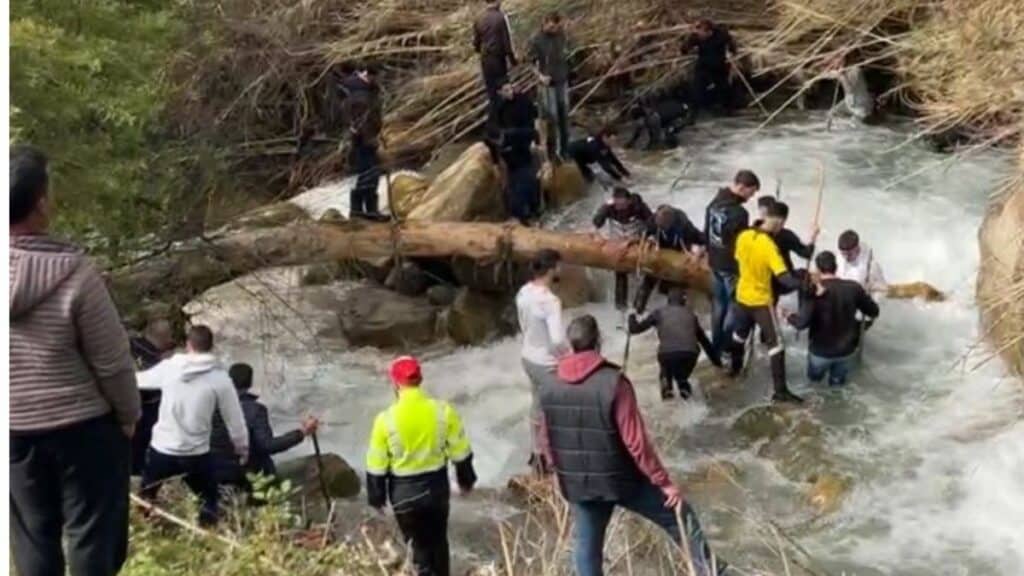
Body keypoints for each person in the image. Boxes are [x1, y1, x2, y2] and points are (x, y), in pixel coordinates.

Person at [10, 145, 140, 576]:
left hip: (14, 430)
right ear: (42, 203)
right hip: (83, 429)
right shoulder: (75, 273)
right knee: (92, 541)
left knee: (33, 541)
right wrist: (128, 414)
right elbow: (113, 361)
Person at [538, 315, 724, 576]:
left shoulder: (547, 385)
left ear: (570, 344)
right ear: (598, 342)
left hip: (579, 482)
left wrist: (559, 471)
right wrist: (664, 482)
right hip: (620, 479)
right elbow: (636, 442)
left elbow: (545, 438)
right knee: (679, 515)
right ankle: (711, 572)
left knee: (587, 551)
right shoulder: (615, 382)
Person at [366, 356, 477, 576]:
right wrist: (466, 481)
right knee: (438, 542)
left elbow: (376, 465)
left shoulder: (385, 420)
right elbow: (461, 452)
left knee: (417, 548)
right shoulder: (443, 411)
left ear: (395, 383)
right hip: (436, 489)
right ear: (421, 380)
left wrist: (377, 498)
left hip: (403, 493)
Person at [138, 325, 249, 526]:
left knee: (146, 493)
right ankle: (207, 532)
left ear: (188, 345)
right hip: (195, 454)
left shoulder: (169, 368)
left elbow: (137, 381)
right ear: (211, 347)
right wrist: (242, 449)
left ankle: (146, 525)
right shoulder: (220, 379)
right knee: (208, 499)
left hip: (162, 448)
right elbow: (236, 421)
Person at [729, 202, 805, 403]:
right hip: (761, 301)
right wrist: (804, 284)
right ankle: (780, 392)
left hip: (742, 296)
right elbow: (784, 278)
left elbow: (738, 260)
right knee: (777, 345)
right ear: (778, 220)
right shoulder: (769, 246)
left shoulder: (743, 236)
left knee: (739, 336)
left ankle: (734, 371)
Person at [210, 363, 319, 490]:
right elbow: (268, 446)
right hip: (249, 476)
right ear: (250, 383)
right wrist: (302, 432)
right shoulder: (256, 410)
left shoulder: (213, 407)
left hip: (215, 473)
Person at [787, 252, 881, 386]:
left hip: (820, 353)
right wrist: (865, 295)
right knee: (837, 389)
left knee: (814, 387)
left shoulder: (812, 291)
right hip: (845, 351)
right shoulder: (854, 288)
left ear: (818, 270)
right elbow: (874, 311)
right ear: (836, 267)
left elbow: (801, 323)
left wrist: (787, 315)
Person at [515, 249, 570, 471]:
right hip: (547, 363)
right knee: (555, 410)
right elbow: (557, 339)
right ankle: (551, 456)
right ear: (552, 268)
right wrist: (571, 356)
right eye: (559, 265)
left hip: (528, 356)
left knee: (537, 405)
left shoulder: (524, 292)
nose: (562, 269)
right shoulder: (550, 301)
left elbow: (523, 323)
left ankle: (536, 453)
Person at [629, 288, 721, 400]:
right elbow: (705, 342)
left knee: (665, 372)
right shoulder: (691, 314)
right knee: (681, 378)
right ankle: (688, 401)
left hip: (667, 355)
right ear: (683, 302)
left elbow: (635, 329)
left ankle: (667, 392)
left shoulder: (659, 312)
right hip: (689, 355)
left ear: (668, 301)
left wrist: (631, 317)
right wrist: (717, 363)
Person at [704, 170, 759, 356]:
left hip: (714, 262)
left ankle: (716, 344)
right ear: (742, 187)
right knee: (734, 307)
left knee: (718, 305)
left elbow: (706, 232)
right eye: (750, 193)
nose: (750, 198)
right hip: (731, 266)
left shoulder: (713, 203)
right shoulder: (739, 213)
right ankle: (728, 345)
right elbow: (742, 245)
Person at [635, 204, 706, 313]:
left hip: (678, 254)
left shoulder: (685, 226)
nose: (662, 228)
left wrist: (699, 252)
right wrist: (647, 243)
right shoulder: (654, 221)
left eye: (664, 227)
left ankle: (673, 312)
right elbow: (643, 232)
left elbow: (702, 239)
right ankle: (637, 309)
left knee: (676, 284)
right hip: (660, 252)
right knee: (649, 277)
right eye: (660, 226)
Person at [592, 187, 652, 309]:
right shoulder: (608, 208)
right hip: (618, 242)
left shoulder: (639, 207)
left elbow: (652, 225)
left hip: (636, 241)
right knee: (620, 272)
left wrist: (641, 240)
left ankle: (639, 304)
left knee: (643, 271)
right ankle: (621, 306)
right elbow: (596, 223)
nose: (619, 207)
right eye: (617, 204)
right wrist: (597, 235)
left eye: (622, 204)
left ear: (629, 201)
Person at [130, 317, 176, 476]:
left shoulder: (129, 345)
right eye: (169, 336)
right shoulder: (155, 360)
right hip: (145, 412)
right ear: (163, 337)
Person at [342, 63, 385, 219]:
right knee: (369, 173)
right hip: (364, 140)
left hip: (363, 139)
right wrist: (372, 141)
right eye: (377, 77)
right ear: (368, 75)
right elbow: (363, 122)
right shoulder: (361, 95)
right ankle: (364, 211)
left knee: (367, 173)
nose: (379, 81)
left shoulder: (363, 91)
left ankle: (362, 210)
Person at [495, 81, 541, 223]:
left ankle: (534, 209)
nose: (509, 92)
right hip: (511, 150)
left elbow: (534, 119)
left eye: (510, 89)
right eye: (505, 90)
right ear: (500, 93)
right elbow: (496, 129)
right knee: (516, 183)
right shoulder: (499, 107)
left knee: (528, 178)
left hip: (525, 142)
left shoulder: (523, 100)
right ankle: (522, 214)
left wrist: (535, 140)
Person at [530, 12, 571, 161]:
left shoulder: (562, 35)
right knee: (551, 118)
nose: (554, 29)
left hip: (562, 80)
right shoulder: (536, 39)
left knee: (564, 116)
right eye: (552, 26)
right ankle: (552, 153)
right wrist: (540, 76)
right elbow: (531, 63)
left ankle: (565, 150)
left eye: (557, 26)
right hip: (547, 85)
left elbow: (566, 52)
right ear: (545, 22)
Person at [474, 0, 517, 137]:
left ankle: (493, 128)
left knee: (492, 94)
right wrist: (513, 61)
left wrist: (481, 51)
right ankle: (502, 126)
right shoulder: (500, 18)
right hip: (498, 60)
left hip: (485, 60)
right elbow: (506, 44)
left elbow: (476, 43)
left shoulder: (478, 18)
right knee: (504, 93)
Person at [681, 19, 737, 116]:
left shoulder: (721, 35)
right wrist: (687, 45)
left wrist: (732, 52)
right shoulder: (697, 37)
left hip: (719, 65)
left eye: (702, 33)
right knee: (697, 87)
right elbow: (684, 49)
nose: (700, 36)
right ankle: (694, 111)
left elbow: (732, 45)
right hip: (703, 65)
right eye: (699, 33)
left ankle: (727, 109)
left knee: (723, 88)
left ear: (709, 32)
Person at [822, 52, 877, 124]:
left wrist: (841, 77)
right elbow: (827, 75)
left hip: (860, 104)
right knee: (831, 114)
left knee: (854, 123)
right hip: (849, 102)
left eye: (834, 60)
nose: (833, 64)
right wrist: (829, 72)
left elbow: (850, 90)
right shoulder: (842, 70)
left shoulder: (855, 70)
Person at [836, 229, 888, 294]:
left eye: (849, 254)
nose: (846, 258)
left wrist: (872, 287)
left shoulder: (871, 266)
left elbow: (884, 289)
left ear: (857, 248)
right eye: (843, 254)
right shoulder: (837, 260)